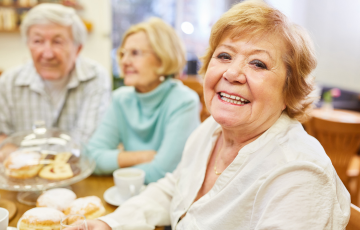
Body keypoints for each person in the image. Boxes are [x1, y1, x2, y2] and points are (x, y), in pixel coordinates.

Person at [66, 1, 350, 230]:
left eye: (258, 63)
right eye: (225, 56)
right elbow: (173, 188)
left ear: (291, 90)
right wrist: (108, 223)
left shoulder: (299, 176)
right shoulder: (210, 130)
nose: (232, 73)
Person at [85, 18, 200, 184]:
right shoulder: (121, 99)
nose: (124, 61)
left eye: (135, 53)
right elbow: (91, 159)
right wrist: (144, 156)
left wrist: (115, 164)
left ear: (163, 57)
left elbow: (162, 172)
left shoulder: (184, 101)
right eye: (123, 53)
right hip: (129, 193)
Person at [0, 3, 111, 145]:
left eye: (58, 42)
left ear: (78, 49)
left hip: (77, 166)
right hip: (21, 166)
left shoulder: (96, 78)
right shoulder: (7, 83)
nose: (47, 53)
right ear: (28, 45)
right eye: (37, 41)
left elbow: (88, 142)